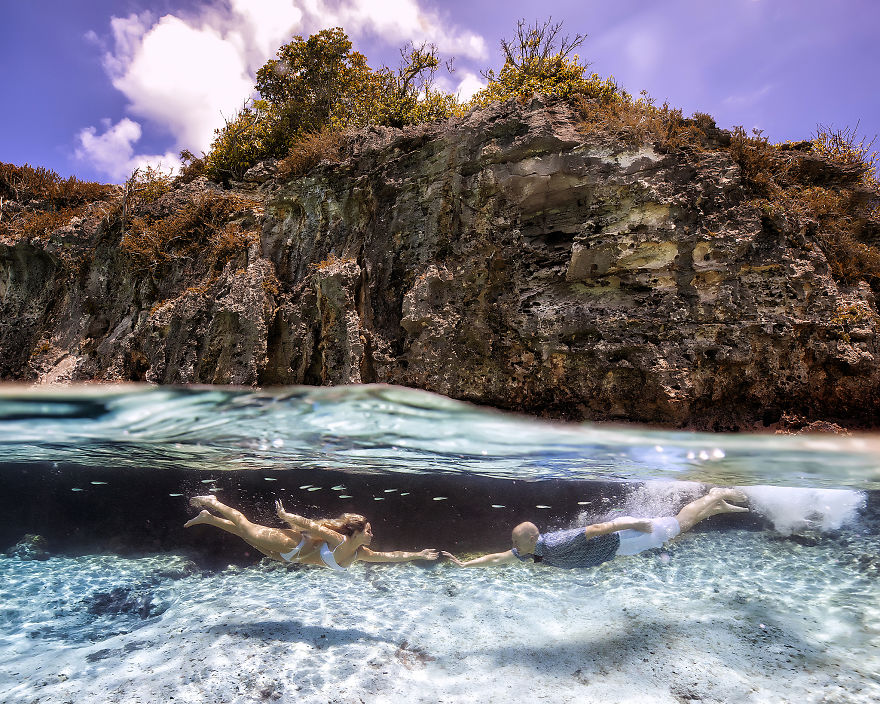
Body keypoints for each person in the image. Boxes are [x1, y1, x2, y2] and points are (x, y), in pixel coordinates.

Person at [441, 487, 750, 568]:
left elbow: (599, 527)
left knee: (680, 524)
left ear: (532, 538)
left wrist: (636, 522)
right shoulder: (527, 552)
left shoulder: (556, 543)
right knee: (679, 529)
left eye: (515, 539)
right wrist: (466, 564)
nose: (511, 543)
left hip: (625, 538)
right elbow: (497, 558)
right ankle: (717, 507)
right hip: (620, 549)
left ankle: (714, 495)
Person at [184, 495, 439, 570]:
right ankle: (213, 502)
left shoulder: (359, 554)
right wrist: (286, 517)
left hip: (284, 557)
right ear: (357, 531)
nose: (372, 535)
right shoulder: (340, 540)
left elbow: (391, 556)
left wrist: (418, 554)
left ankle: (208, 518)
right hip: (290, 544)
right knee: (246, 527)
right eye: (369, 530)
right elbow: (312, 526)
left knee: (245, 536)